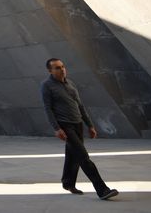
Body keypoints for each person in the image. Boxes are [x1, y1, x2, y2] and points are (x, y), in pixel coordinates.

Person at [41, 58, 119, 200]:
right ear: (50, 71)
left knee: (73, 156)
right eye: (57, 68)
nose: (62, 69)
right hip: (65, 125)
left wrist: (89, 125)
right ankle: (102, 190)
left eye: (63, 66)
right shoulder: (47, 86)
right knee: (83, 157)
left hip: (78, 124)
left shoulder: (70, 83)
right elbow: (48, 109)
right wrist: (57, 128)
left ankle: (68, 183)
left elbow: (80, 106)